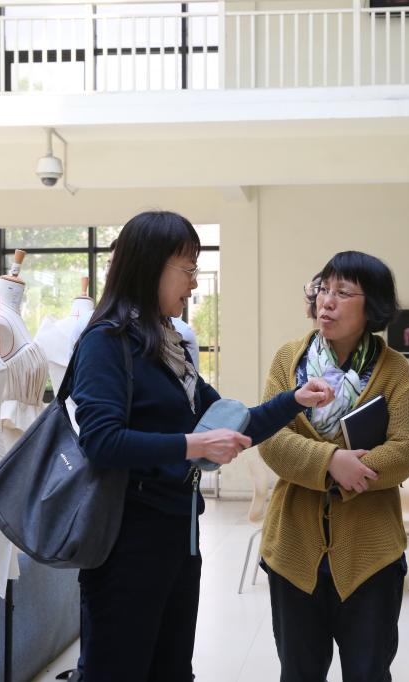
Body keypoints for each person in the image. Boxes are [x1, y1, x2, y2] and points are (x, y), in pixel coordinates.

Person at [70, 210, 334, 681]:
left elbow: (235, 424)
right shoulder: (107, 342)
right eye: (188, 269)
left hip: (179, 535)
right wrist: (193, 444)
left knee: (172, 669)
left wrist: (294, 400)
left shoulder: (168, 346)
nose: (193, 284)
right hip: (126, 541)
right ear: (151, 266)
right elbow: (101, 441)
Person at [258, 251, 409, 682]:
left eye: (344, 292)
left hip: (371, 552)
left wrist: (355, 471)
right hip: (294, 547)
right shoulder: (288, 359)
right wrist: (331, 462)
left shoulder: (394, 368)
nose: (327, 301)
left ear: (373, 307)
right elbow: (271, 438)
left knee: (369, 672)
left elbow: (407, 449)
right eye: (323, 289)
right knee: (299, 672)